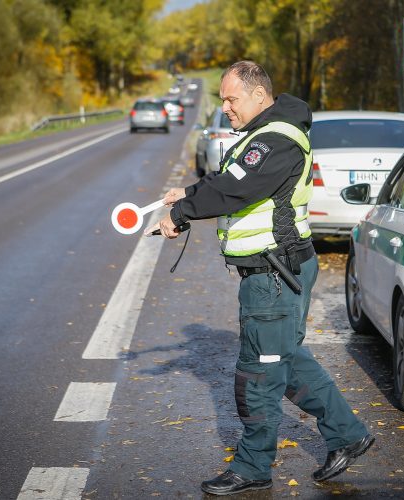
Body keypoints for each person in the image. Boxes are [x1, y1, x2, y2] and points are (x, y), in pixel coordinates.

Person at [148, 60, 374, 496]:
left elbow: (238, 190)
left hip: (274, 274)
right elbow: (229, 180)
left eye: (231, 99)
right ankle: (348, 434)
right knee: (283, 361)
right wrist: (189, 194)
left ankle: (253, 467)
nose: (226, 107)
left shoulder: (275, 139)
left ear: (257, 94)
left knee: (257, 373)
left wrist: (180, 215)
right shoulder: (261, 135)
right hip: (275, 271)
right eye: (223, 99)